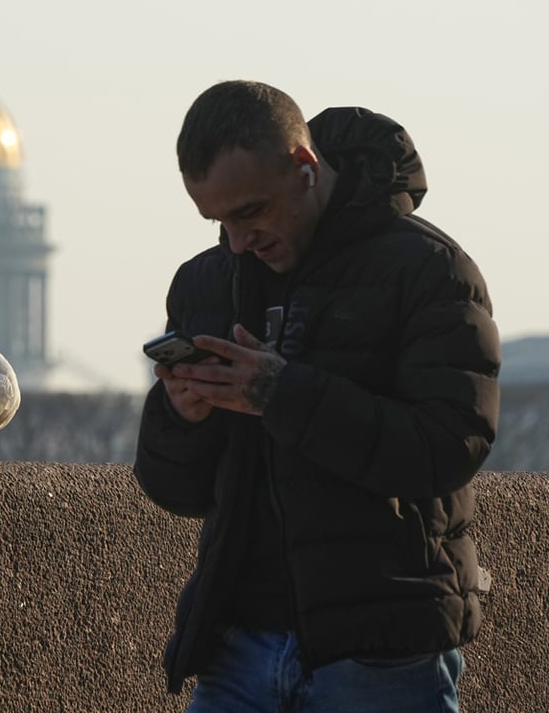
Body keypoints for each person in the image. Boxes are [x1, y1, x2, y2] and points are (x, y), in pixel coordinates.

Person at [134, 80, 500, 712]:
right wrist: (181, 416)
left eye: (249, 212)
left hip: (381, 650)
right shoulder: (206, 282)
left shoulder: (429, 270)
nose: (237, 240)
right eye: (217, 220)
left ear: (304, 167)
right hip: (238, 646)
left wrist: (282, 393)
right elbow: (178, 491)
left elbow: (449, 446)